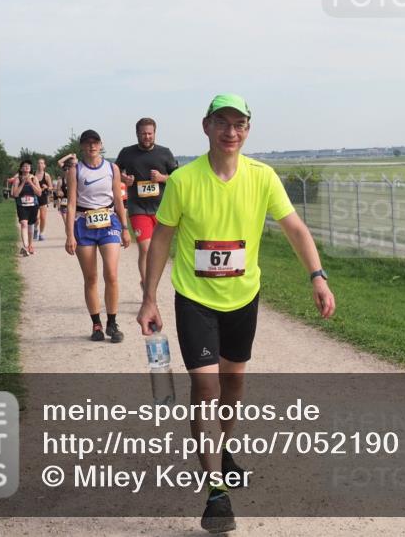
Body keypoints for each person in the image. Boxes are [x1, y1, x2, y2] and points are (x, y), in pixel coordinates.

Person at [137, 94, 335, 534]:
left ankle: (221, 450)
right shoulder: (184, 180)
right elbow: (163, 238)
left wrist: (317, 276)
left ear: (248, 129)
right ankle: (216, 493)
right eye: (222, 123)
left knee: (233, 386)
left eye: (239, 124)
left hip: (243, 299)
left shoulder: (262, 177)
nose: (231, 132)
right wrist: (149, 298)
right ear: (206, 126)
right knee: (205, 388)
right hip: (196, 298)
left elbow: (295, 227)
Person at [65, 130, 131, 343]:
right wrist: (69, 235)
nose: (92, 146)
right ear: (82, 146)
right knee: (91, 277)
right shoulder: (75, 170)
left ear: (101, 145)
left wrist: (125, 228)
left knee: (111, 274)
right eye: (87, 143)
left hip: (109, 222)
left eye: (95, 143)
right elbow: (71, 204)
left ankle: (112, 323)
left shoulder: (112, 168)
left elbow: (119, 200)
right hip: (84, 223)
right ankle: (96, 324)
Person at [115, 118, 178, 291]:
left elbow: (177, 178)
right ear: (137, 134)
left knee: (158, 250)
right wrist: (123, 178)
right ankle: (148, 289)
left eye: (150, 133)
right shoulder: (127, 153)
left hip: (161, 209)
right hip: (138, 208)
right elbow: (114, 171)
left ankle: (147, 283)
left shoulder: (164, 153)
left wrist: (162, 178)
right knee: (146, 249)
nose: (147, 137)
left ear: (155, 133)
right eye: (143, 133)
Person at [10, 161, 42, 256]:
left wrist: (30, 183)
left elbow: (39, 193)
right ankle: (25, 246)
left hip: (33, 205)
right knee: (24, 224)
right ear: (21, 169)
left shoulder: (34, 178)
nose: (27, 167)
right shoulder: (17, 179)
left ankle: (30, 245)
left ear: (30, 168)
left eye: (28, 166)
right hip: (22, 205)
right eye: (24, 166)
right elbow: (15, 194)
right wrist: (23, 182)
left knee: (30, 225)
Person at [33, 158, 53, 241]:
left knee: (43, 218)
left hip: (43, 198)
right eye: (38, 163)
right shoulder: (33, 174)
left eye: (42, 163)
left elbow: (51, 187)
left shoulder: (46, 175)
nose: (40, 165)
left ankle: (41, 234)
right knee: (36, 218)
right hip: (34, 198)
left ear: (44, 165)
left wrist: (47, 187)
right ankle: (35, 229)